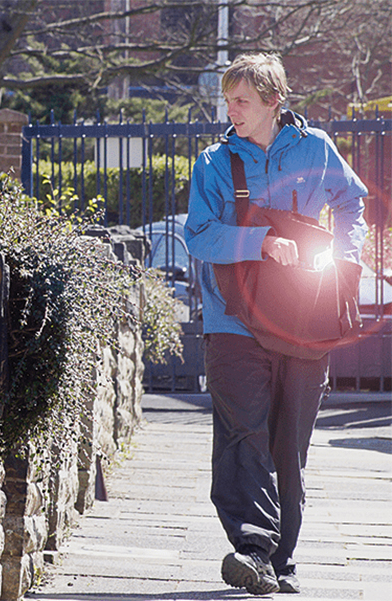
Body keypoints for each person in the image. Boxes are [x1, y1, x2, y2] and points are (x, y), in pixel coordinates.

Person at [184, 52, 368, 595]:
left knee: (290, 443)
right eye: (227, 100)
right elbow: (198, 235)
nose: (231, 110)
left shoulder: (315, 149)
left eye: (241, 100)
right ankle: (252, 549)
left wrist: (348, 258)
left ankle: (280, 559)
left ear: (273, 100)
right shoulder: (214, 162)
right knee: (245, 433)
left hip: (305, 319)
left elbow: (353, 206)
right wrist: (260, 242)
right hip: (232, 322)